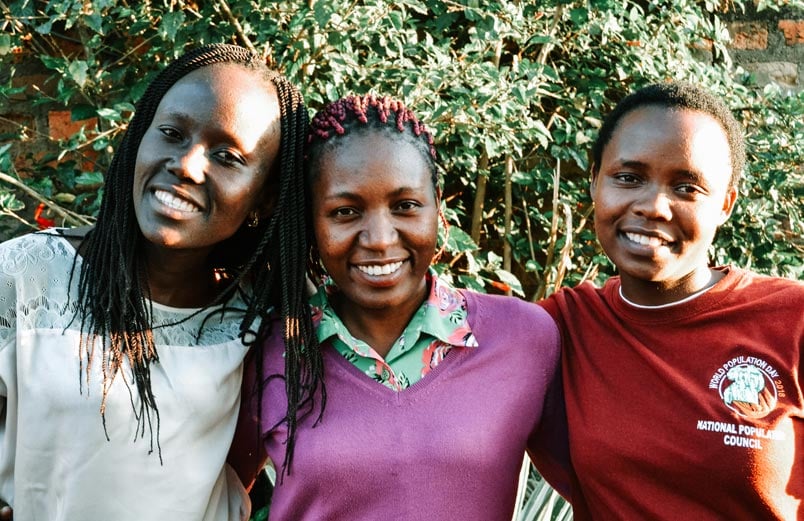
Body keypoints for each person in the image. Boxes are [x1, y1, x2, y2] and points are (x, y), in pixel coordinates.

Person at [0, 43, 319, 520]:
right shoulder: (29, 276)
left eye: (228, 156)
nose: (186, 165)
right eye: (170, 133)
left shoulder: (261, 318)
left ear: (265, 200)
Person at [229, 93, 570, 519]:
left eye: (405, 206)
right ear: (311, 222)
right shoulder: (270, 352)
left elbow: (602, 485)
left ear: (437, 207)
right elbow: (216, 495)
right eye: (345, 211)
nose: (380, 239)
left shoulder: (522, 337)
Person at [539, 82, 803, 520]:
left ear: (725, 205)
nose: (654, 206)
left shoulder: (791, 322)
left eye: (687, 187)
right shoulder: (560, 329)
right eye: (628, 178)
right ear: (593, 181)